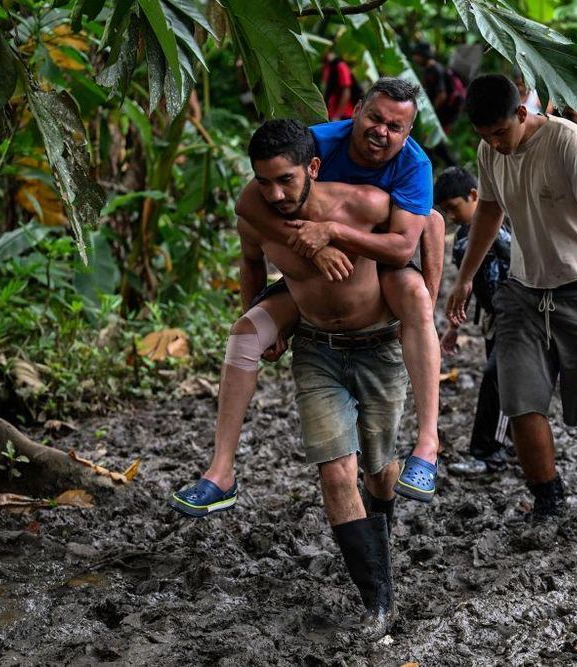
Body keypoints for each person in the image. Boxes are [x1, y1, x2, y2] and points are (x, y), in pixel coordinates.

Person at [171, 79, 445, 518]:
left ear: (408, 133)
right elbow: (250, 208)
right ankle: (221, 472)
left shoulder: (406, 173)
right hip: (309, 287)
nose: (381, 131)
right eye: (374, 117)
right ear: (356, 110)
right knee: (245, 333)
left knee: (415, 294)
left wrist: (333, 233)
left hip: (377, 270)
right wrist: (311, 246)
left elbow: (410, 239)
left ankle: (428, 444)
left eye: (396, 127)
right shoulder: (312, 144)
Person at [230, 118, 404, 636]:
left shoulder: (365, 204)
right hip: (315, 350)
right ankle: (377, 598)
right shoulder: (256, 216)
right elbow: (250, 262)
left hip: (378, 346)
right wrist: (265, 319)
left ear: (312, 168)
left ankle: (384, 516)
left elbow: (420, 234)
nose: (275, 194)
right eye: (263, 182)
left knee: (379, 467)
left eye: (285, 180)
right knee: (334, 472)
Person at [447, 74, 577, 522]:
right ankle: (548, 495)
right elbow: (489, 213)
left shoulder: (569, 142)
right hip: (524, 293)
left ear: (522, 114)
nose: (494, 144)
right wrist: (465, 278)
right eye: (485, 137)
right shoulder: (490, 151)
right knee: (520, 401)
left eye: (500, 133)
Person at [434, 167, 512, 476]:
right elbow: (466, 286)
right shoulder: (463, 240)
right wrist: (455, 326)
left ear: (474, 196)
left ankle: (488, 451)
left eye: (454, 207)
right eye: (446, 211)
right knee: (502, 380)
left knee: (499, 380)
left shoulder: (508, 221)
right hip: (494, 317)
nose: (451, 217)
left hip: (519, 313)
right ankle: (504, 445)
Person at [320, 50, 360, 121]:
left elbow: (346, 92)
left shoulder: (340, 66)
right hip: (331, 114)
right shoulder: (328, 66)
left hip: (344, 116)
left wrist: (337, 115)